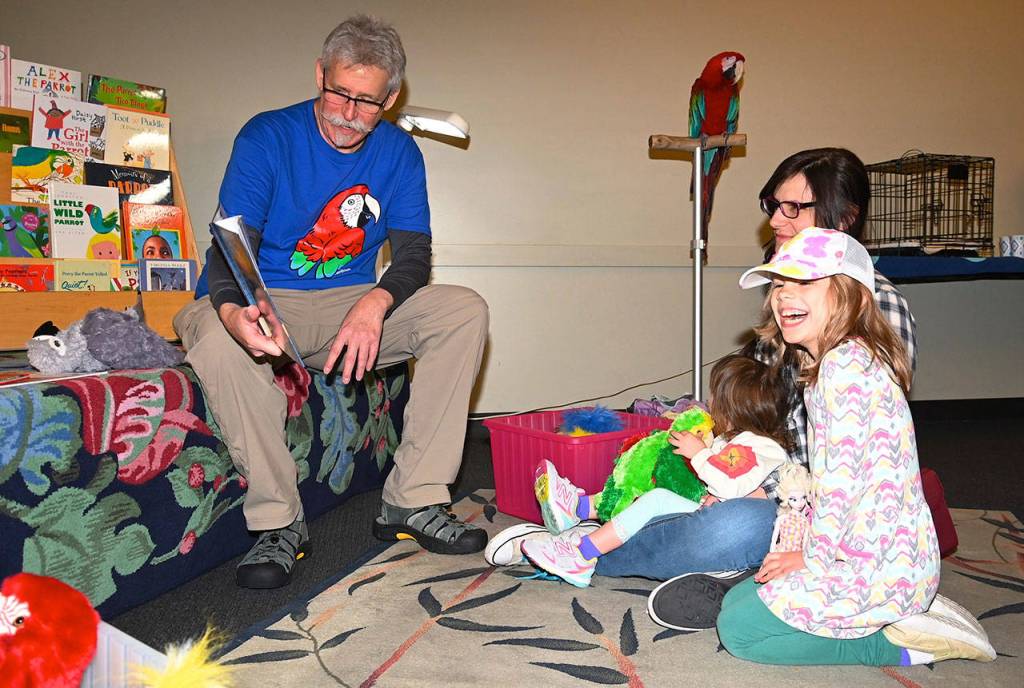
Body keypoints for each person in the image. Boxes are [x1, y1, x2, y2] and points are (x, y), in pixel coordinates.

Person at [173, 15, 489, 590]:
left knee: (463, 309)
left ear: (391, 99)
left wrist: (374, 303)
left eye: (366, 102)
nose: (347, 113)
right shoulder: (266, 135)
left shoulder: (398, 154)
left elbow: (415, 256)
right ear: (320, 74)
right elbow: (228, 244)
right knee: (215, 336)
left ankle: (410, 501)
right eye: (337, 92)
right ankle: (279, 523)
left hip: (348, 301)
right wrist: (233, 311)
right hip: (263, 294)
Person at [638, 147, 922, 628]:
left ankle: (600, 553)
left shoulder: (876, 310)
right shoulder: (788, 301)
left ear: (845, 217)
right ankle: (724, 562)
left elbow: (849, 464)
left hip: (826, 508)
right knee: (675, 475)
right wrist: (728, 459)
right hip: (773, 479)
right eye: (774, 204)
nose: (777, 220)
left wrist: (759, 488)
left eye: (795, 207)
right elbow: (764, 419)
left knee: (736, 526)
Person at [714, 227, 995, 666]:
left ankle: (903, 646)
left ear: (853, 296)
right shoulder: (835, 360)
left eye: (805, 282)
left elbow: (840, 485)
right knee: (740, 603)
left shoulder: (843, 368)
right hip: (876, 551)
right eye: (780, 283)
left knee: (740, 631)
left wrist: (809, 558)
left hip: (877, 564)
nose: (785, 295)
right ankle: (909, 612)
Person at [499, 356, 790, 591]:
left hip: (733, 523)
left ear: (731, 407)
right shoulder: (735, 441)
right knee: (650, 490)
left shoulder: (760, 446)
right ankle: (579, 509)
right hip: (710, 512)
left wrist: (699, 454)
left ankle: (583, 551)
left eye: (714, 395)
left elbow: (730, 484)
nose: (709, 401)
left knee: (659, 500)